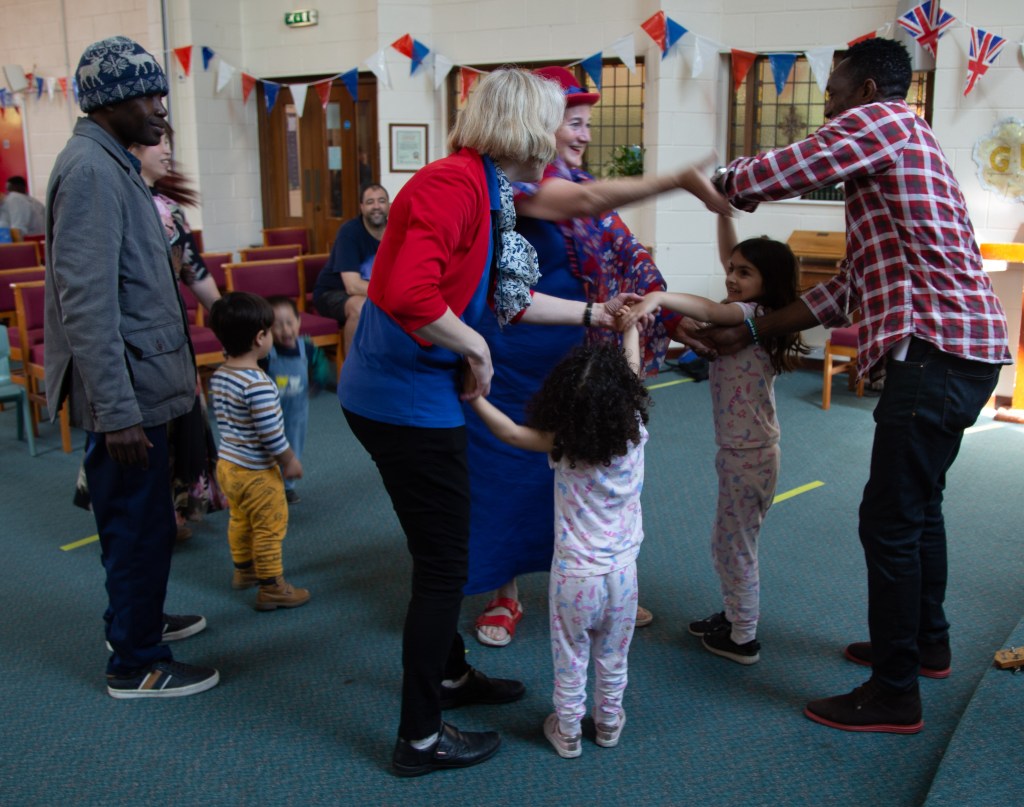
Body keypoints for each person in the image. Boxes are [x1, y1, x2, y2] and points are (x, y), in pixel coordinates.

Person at [338, 67, 649, 777]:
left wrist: (594, 313)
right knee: (445, 564)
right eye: (558, 121)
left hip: (416, 393)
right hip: (401, 400)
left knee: (439, 549)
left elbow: (509, 297)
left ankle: (449, 675)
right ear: (523, 128)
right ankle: (419, 739)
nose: (568, 136)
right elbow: (405, 291)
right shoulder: (453, 185)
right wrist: (475, 348)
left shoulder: (492, 190)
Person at [702, 37, 1009, 732]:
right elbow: (847, 290)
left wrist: (720, 181)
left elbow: (787, 167)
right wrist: (754, 329)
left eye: (835, 94)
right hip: (960, 353)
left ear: (867, 89)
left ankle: (894, 693)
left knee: (889, 520)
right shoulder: (892, 161)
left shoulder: (886, 122)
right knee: (919, 508)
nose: (830, 109)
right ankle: (925, 644)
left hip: (935, 354)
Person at [466, 65, 731, 647]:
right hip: (517, 353)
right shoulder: (514, 184)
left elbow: (629, 259)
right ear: (538, 126)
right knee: (508, 473)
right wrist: (677, 178)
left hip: (579, 359)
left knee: (587, 474)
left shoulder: (576, 182)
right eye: (574, 123)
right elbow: (580, 203)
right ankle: (504, 594)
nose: (584, 135)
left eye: (588, 124)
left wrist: (673, 318)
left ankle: (598, 579)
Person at [44, 35, 218, 698]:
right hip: (127, 399)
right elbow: (86, 304)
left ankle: (137, 621)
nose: (160, 111)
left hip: (145, 385)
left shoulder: (111, 162)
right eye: (148, 97)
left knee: (144, 525)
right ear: (109, 103)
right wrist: (117, 413)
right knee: (135, 526)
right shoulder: (90, 171)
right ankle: (135, 663)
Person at [622, 214, 807, 666]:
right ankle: (733, 615)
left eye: (745, 272)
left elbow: (710, 310)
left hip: (749, 456)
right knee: (729, 542)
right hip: (745, 452)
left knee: (733, 546)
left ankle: (742, 636)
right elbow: (729, 261)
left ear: (767, 282)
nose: (731, 277)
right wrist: (724, 215)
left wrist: (659, 297)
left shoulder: (750, 315)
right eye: (731, 269)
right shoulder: (759, 314)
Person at [466, 323, 650, 758]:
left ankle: (567, 732)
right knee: (613, 656)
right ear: (625, 398)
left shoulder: (563, 444)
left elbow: (511, 433)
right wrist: (630, 331)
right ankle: (608, 724)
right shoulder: (634, 430)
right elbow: (632, 371)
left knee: (571, 656)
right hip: (623, 575)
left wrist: (475, 399)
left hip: (574, 579)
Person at [208, 292, 310, 611]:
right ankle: (271, 587)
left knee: (240, 519)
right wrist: (289, 460)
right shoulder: (259, 384)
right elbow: (271, 433)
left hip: (228, 466)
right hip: (256, 472)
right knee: (269, 526)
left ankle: (244, 571)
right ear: (259, 338)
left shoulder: (220, 374)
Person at [261, 295, 334, 504]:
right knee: (268, 448)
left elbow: (321, 364)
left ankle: (287, 487)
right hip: (271, 414)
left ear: (299, 322)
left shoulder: (306, 347)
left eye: (289, 323)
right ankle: (265, 484)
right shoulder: (267, 353)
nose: (285, 330)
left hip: (297, 414)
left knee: (293, 447)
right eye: (277, 325)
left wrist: (319, 381)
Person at [312, 183, 389, 354]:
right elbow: (352, 286)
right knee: (361, 307)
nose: (376, 206)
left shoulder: (396, 232)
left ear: (389, 205)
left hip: (372, 292)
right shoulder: (349, 233)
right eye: (370, 202)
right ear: (361, 207)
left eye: (381, 201)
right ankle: (352, 366)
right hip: (333, 293)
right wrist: (390, 295)